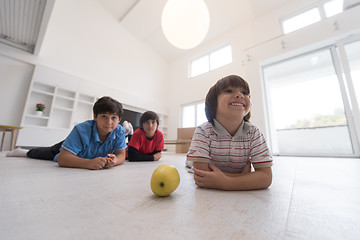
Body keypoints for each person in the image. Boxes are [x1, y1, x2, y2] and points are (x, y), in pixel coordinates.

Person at [186, 75, 273, 190]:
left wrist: (227, 182)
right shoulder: (203, 131)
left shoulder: (254, 133)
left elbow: (266, 177)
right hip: (196, 162)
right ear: (213, 103)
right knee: (189, 163)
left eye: (245, 93)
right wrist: (244, 177)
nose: (240, 95)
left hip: (218, 170)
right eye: (228, 91)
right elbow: (201, 174)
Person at [7, 96, 127, 170]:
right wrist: (89, 163)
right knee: (43, 153)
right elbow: (63, 159)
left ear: (119, 120)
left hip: (86, 152)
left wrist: (115, 161)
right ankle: (25, 152)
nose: (109, 122)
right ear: (95, 116)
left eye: (114, 118)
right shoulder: (81, 130)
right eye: (104, 116)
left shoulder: (119, 131)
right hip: (69, 148)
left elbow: (121, 154)